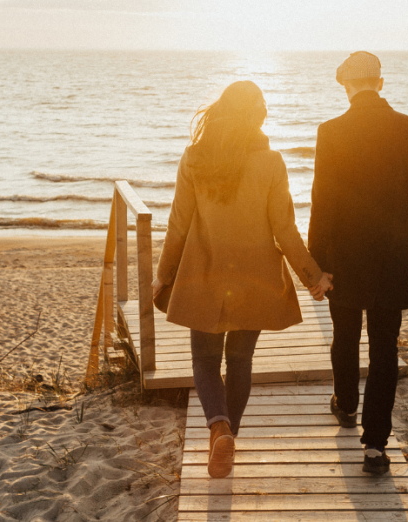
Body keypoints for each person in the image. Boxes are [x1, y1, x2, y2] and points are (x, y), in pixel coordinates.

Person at [152, 81, 333, 479]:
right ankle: (228, 433)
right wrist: (313, 277)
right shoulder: (272, 163)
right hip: (256, 278)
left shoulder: (195, 158)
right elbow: (285, 232)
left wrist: (162, 275)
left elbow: (178, 226)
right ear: (257, 117)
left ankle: (219, 428)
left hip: (204, 274)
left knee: (203, 359)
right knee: (240, 359)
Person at [308, 52, 408, 474]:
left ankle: (345, 404)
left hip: (343, 257)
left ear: (346, 86)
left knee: (344, 337)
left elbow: (321, 202)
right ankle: (375, 446)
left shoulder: (331, 131)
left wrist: (317, 264)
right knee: (384, 350)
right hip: (391, 256)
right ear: (380, 84)